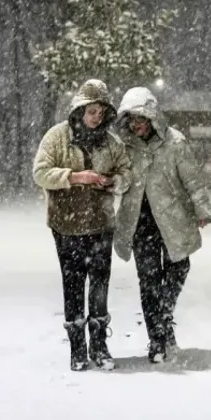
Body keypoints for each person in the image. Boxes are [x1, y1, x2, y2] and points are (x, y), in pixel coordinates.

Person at [32, 79, 132, 372]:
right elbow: (40, 172)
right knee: (73, 285)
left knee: (100, 286)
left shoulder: (112, 143)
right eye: (91, 111)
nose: (96, 118)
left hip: (101, 224)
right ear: (79, 110)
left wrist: (113, 181)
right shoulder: (57, 137)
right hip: (67, 225)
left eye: (101, 112)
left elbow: (127, 172)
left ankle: (100, 346)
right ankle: (78, 349)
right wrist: (75, 177)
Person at [113, 86, 211, 363]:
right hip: (139, 224)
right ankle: (157, 340)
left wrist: (202, 209)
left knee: (179, 267)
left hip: (173, 220)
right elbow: (117, 179)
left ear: (153, 117)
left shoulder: (175, 143)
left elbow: (192, 180)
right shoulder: (124, 147)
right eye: (132, 120)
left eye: (142, 119)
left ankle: (164, 313)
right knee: (148, 282)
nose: (137, 125)